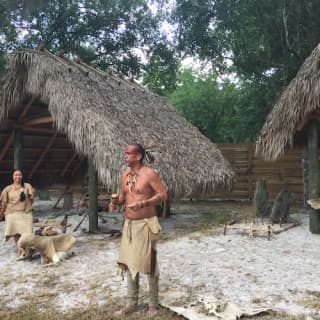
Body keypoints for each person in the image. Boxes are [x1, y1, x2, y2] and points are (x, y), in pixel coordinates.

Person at [114, 144, 167, 318]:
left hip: (146, 224)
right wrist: (115, 202)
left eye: (128, 154)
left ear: (138, 156)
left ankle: (153, 304)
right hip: (129, 225)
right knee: (129, 263)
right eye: (125, 153)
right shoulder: (124, 175)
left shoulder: (149, 174)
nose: (125, 156)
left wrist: (143, 204)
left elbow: (162, 195)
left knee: (150, 264)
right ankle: (131, 302)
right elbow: (123, 197)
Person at [0, 169, 35, 257]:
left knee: (27, 233)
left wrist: (28, 206)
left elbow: (32, 199)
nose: (18, 177)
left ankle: (27, 250)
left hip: (26, 213)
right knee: (16, 234)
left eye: (19, 175)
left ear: (22, 176)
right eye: (16, 175)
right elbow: (4, 204)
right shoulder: (7, 189)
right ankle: (21, 251)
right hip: (12, 213)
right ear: (12, 176)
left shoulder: (27, 186)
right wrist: (1, 215)